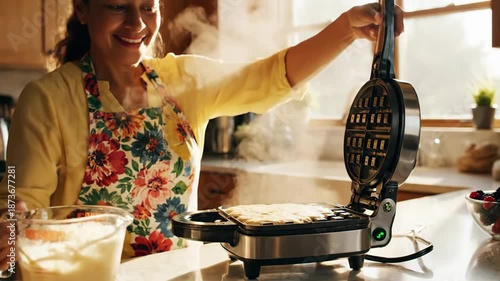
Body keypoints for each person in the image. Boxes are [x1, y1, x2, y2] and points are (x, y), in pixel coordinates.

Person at [0, 0, 404, 269]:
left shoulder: (183, 80)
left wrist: (345, 29)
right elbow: (20, 201)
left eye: (147, 6)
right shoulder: (46, 98)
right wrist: (9, 226)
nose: (137, 23)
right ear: (84, 9)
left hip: (178, 275)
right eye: (117, 5)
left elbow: (266, 79)